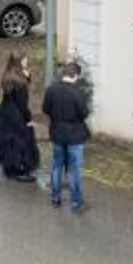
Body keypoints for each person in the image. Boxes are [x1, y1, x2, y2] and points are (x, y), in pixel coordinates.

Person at [41, 57, 91, 213]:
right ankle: (76, 202)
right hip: (74, 135)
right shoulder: (78, 93)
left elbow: (45, 109)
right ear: (76, 76)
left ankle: (55, 198)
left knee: (57, 165)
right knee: (74, 169)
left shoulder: (51, 90)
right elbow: (84, 113)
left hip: (57, 132)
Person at [0, 54, 39, 181]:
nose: (26, 65)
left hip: (6, 114)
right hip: (17, 117)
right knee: (21, 143)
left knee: (8, 142)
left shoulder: (8, 76)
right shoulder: (19, 83)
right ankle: (20, 169)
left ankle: (8, 167)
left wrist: (27, 75)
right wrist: (28, 119)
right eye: (24, 63)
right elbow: (22, 104)